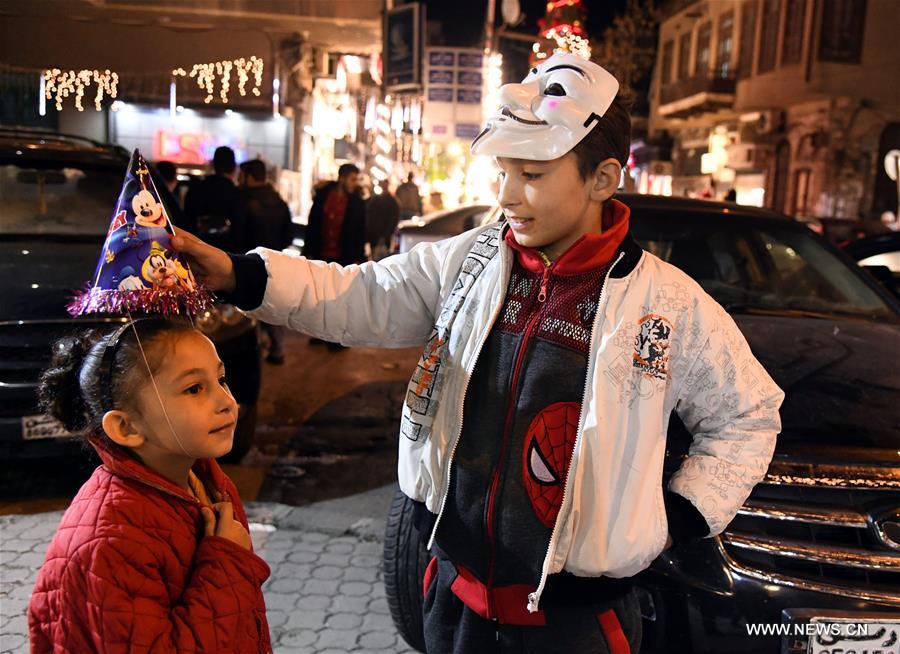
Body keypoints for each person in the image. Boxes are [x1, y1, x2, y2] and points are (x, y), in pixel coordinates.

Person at [172, 52, 783, 653]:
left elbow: (747, 416)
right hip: (454, 601)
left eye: (534, 175)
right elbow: (363, 295)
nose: (509, 195)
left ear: (603, 178)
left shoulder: (668, 303)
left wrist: (677, 518)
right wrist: (237, 275)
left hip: (577, 629)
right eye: (504, 173)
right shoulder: (470, 259)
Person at [28, 319, 271, 653]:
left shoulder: (202, 478)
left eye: (221, 379)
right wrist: (227, 564)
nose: (227, 401)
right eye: (194, 389)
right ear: (126, 427)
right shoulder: (110, 542)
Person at [238, 158, 294, 364]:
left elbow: (238, 234)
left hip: (247, 262)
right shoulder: (279, 201)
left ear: (249, 177)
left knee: (248, 308)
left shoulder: (243, 200)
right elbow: (289, 236)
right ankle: (277, 350)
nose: (239, 179)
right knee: (273, 306)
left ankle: (255, 349)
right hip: (274, 262)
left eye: (241, 175)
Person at [184, 146, 244, 252]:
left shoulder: (197, 189)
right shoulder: (237, 194)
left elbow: (186, 219)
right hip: (227, 253)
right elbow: (240, 229)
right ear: (234, 167)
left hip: (196, 248)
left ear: (213, 165)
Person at [365, 186, 401, 261]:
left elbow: (369, 216)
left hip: (376, 234)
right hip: (384, 234)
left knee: (376, 257)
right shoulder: (392, 201)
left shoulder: (374, 200)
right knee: (384, 259)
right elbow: (395, 218)